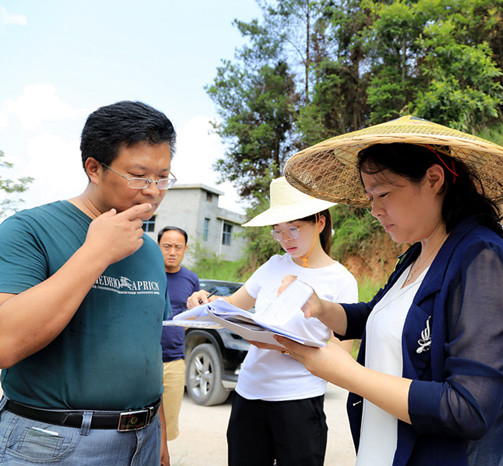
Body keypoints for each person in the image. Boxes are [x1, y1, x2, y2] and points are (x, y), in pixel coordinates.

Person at [279, 115, 503, 465]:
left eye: (383, 194)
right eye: (370, 197)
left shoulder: (482, 258)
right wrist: (320, 307)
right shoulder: (420, 250)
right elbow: (378, 315)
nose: (374, 210)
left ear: (434, 179)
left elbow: (469, 407)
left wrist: (346, 373)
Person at [0, 101, 176, 465]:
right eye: (139, 176)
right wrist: (96, 254)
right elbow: (5, 343)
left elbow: (147, 350)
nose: (153, 191)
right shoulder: (30, 230)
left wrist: (157, 433)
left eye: (163, 177)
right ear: (94, 168)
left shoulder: (149, 249)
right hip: (52, 442)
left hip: (142, 440)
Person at [187, 177, 358, 466]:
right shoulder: (273, 266)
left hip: (299, 401)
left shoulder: (341, 280)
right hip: (248, 395)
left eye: (294, 228)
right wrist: (205, 301)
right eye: (278, 231)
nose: (286, 238)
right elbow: (232, 305)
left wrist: (288, 347)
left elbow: (343, 354)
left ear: (320, 222)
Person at [158, 226, 200, 442]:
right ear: (158, 247)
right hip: (143, 361)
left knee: (168, 426)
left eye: (177, 247)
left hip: (175, 360)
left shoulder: (191, 279)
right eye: (167, 246)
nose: (172, 252)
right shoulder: (148, 273)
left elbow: (195, 313)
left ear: (184, 249)